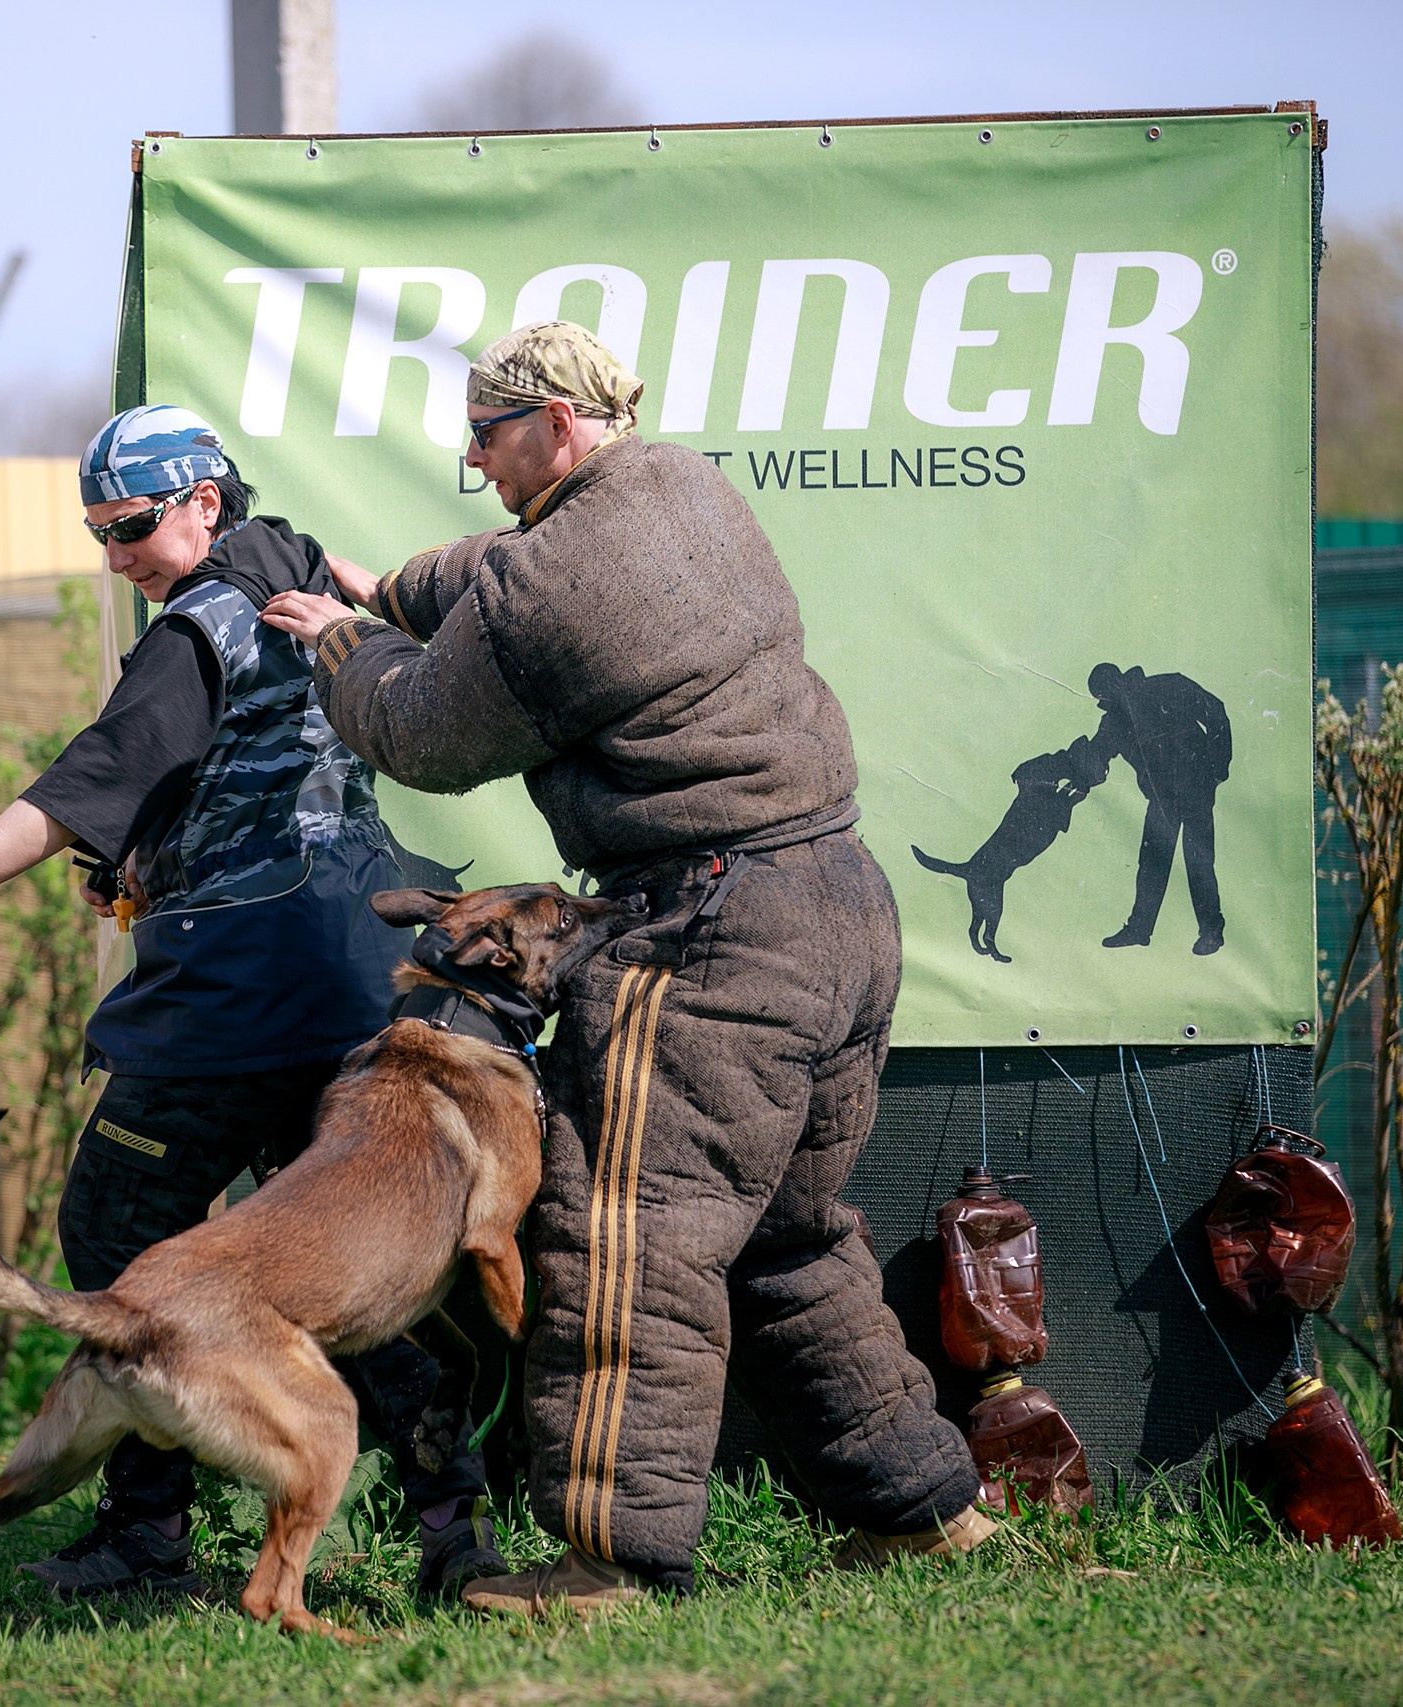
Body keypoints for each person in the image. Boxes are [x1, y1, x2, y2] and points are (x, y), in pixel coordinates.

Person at [261, 323, 991, 1613]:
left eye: (485, 433)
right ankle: (920, 1513)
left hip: (710, 928)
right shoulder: (678, 488)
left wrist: (337, 640)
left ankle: (608, 1559)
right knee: (787, 1238)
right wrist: (385, 588)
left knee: (621, 1235)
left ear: (549, 420)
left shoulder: (553, 592)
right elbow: (492, 568)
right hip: (837, 903)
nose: (472, 456)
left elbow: (420, 731)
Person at [0, 404, 502, 1602]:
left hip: (233, 1010)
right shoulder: (288, 555)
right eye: (99, 533)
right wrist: (157, 849)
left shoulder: (191, 632)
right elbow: (254, 734)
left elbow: (93, 779)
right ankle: (455, 1530)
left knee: (117, 1244)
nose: (117, 558)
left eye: (133, 525)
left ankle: (148, 1527)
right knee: (366, 1274)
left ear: (205, 500)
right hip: (361, 993)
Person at [1085, 662, 1230, 955]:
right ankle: (1139, 930)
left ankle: (1211, 933)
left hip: (1196, 788)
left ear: (1119, 682)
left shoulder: (1168, 686)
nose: (1106, 701)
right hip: (1162, 798)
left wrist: (1218, 767)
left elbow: (1215, 710)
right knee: (1151, 864)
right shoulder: (1114, 722)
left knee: (1198, 862)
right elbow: (1094, 757)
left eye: (1106, 694)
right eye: (1102, 698)